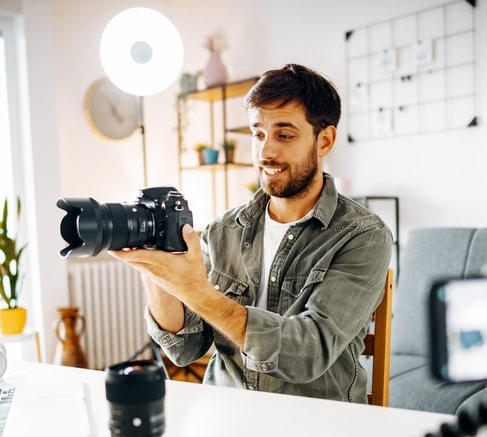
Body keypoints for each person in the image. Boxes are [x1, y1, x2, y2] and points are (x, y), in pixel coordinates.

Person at [109, 64, 391, 403]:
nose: (266, 152)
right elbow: (184, 349)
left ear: (325, 140)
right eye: (258, 134)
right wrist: (154, 271)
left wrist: (197, 292)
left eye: (284, 135)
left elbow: (308, 352)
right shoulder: (222, 231)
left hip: (315, 423)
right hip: (226, 413)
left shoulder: (363, 236)